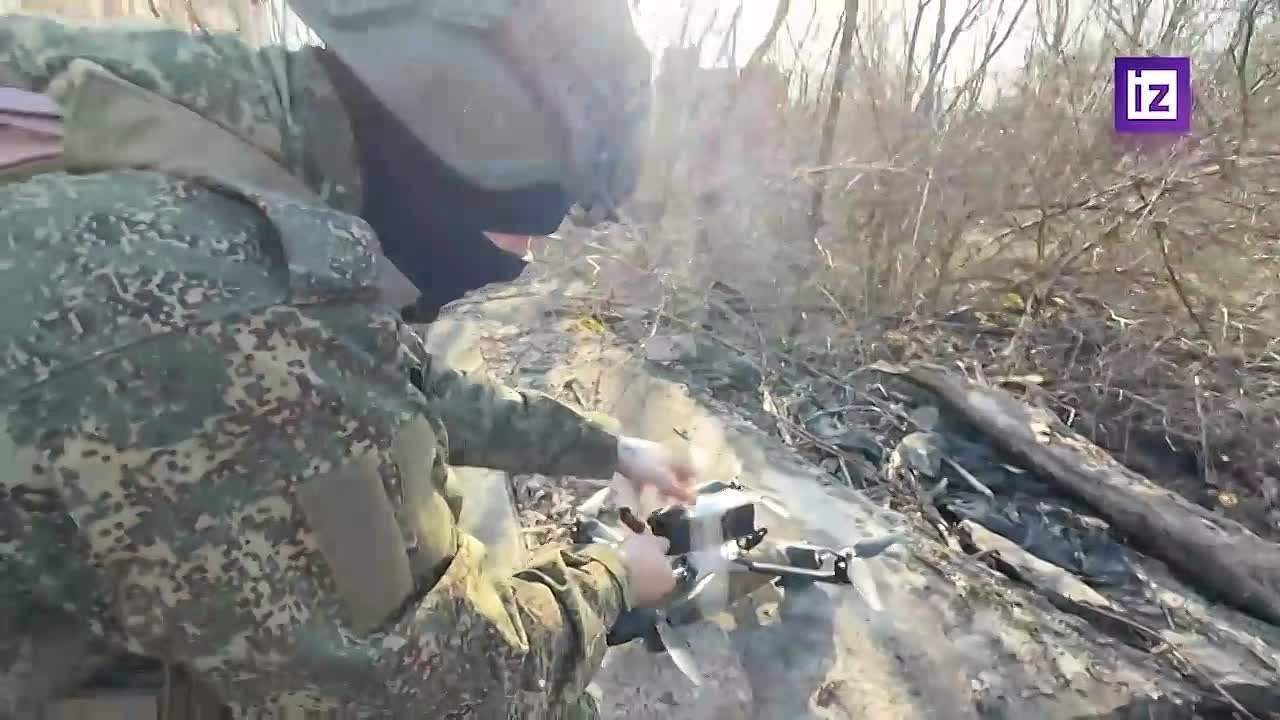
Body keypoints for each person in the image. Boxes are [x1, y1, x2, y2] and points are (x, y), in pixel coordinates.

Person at [0, 3, 692, 718]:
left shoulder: (163, 126)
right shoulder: (247, 318)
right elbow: (438, 693)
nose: (529, 253)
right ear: (471, 146)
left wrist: (604, 447)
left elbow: (401, 379)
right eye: (538, 216)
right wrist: (614, 578)